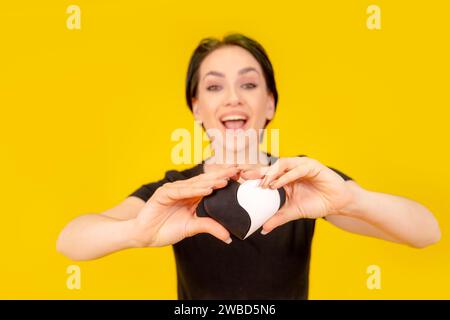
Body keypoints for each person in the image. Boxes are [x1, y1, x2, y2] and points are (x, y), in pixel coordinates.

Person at [56, 33, 441, 299]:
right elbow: (71, 240)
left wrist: (350, 200)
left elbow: (427, 232)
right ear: (196, 108)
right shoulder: (176, 192)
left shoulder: (301, 181)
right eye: (213, 86)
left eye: (249, 84)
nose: (233, 98)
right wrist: (136, 232)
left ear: (270, 103)